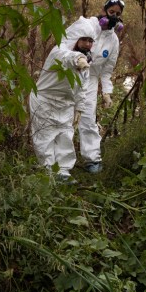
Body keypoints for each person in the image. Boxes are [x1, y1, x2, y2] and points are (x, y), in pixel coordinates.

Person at [28, 16, 98, 182]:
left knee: (65, 137)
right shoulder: (58, 51)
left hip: (66, 104)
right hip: (45, 101)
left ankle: (63, 173)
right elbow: (66, 56)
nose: (88, 44)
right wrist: (78, 59)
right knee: (45, 138)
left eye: (90, 41)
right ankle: (48, 173)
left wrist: (79, 108)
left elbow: (83, 87)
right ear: (75, 38)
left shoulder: (85, 60)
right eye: (84, 40)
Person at [78, 0, 125, 174]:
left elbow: (106, 71)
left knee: (88, 118)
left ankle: (92, 160)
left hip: (91, 79)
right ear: (104, 11)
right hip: (74, 75)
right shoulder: (90, 26)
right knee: (66, 116)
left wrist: (107, 92)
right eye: (111, 12)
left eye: (118, 14)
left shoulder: (114, 41)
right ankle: (58, 162)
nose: (114, 16)